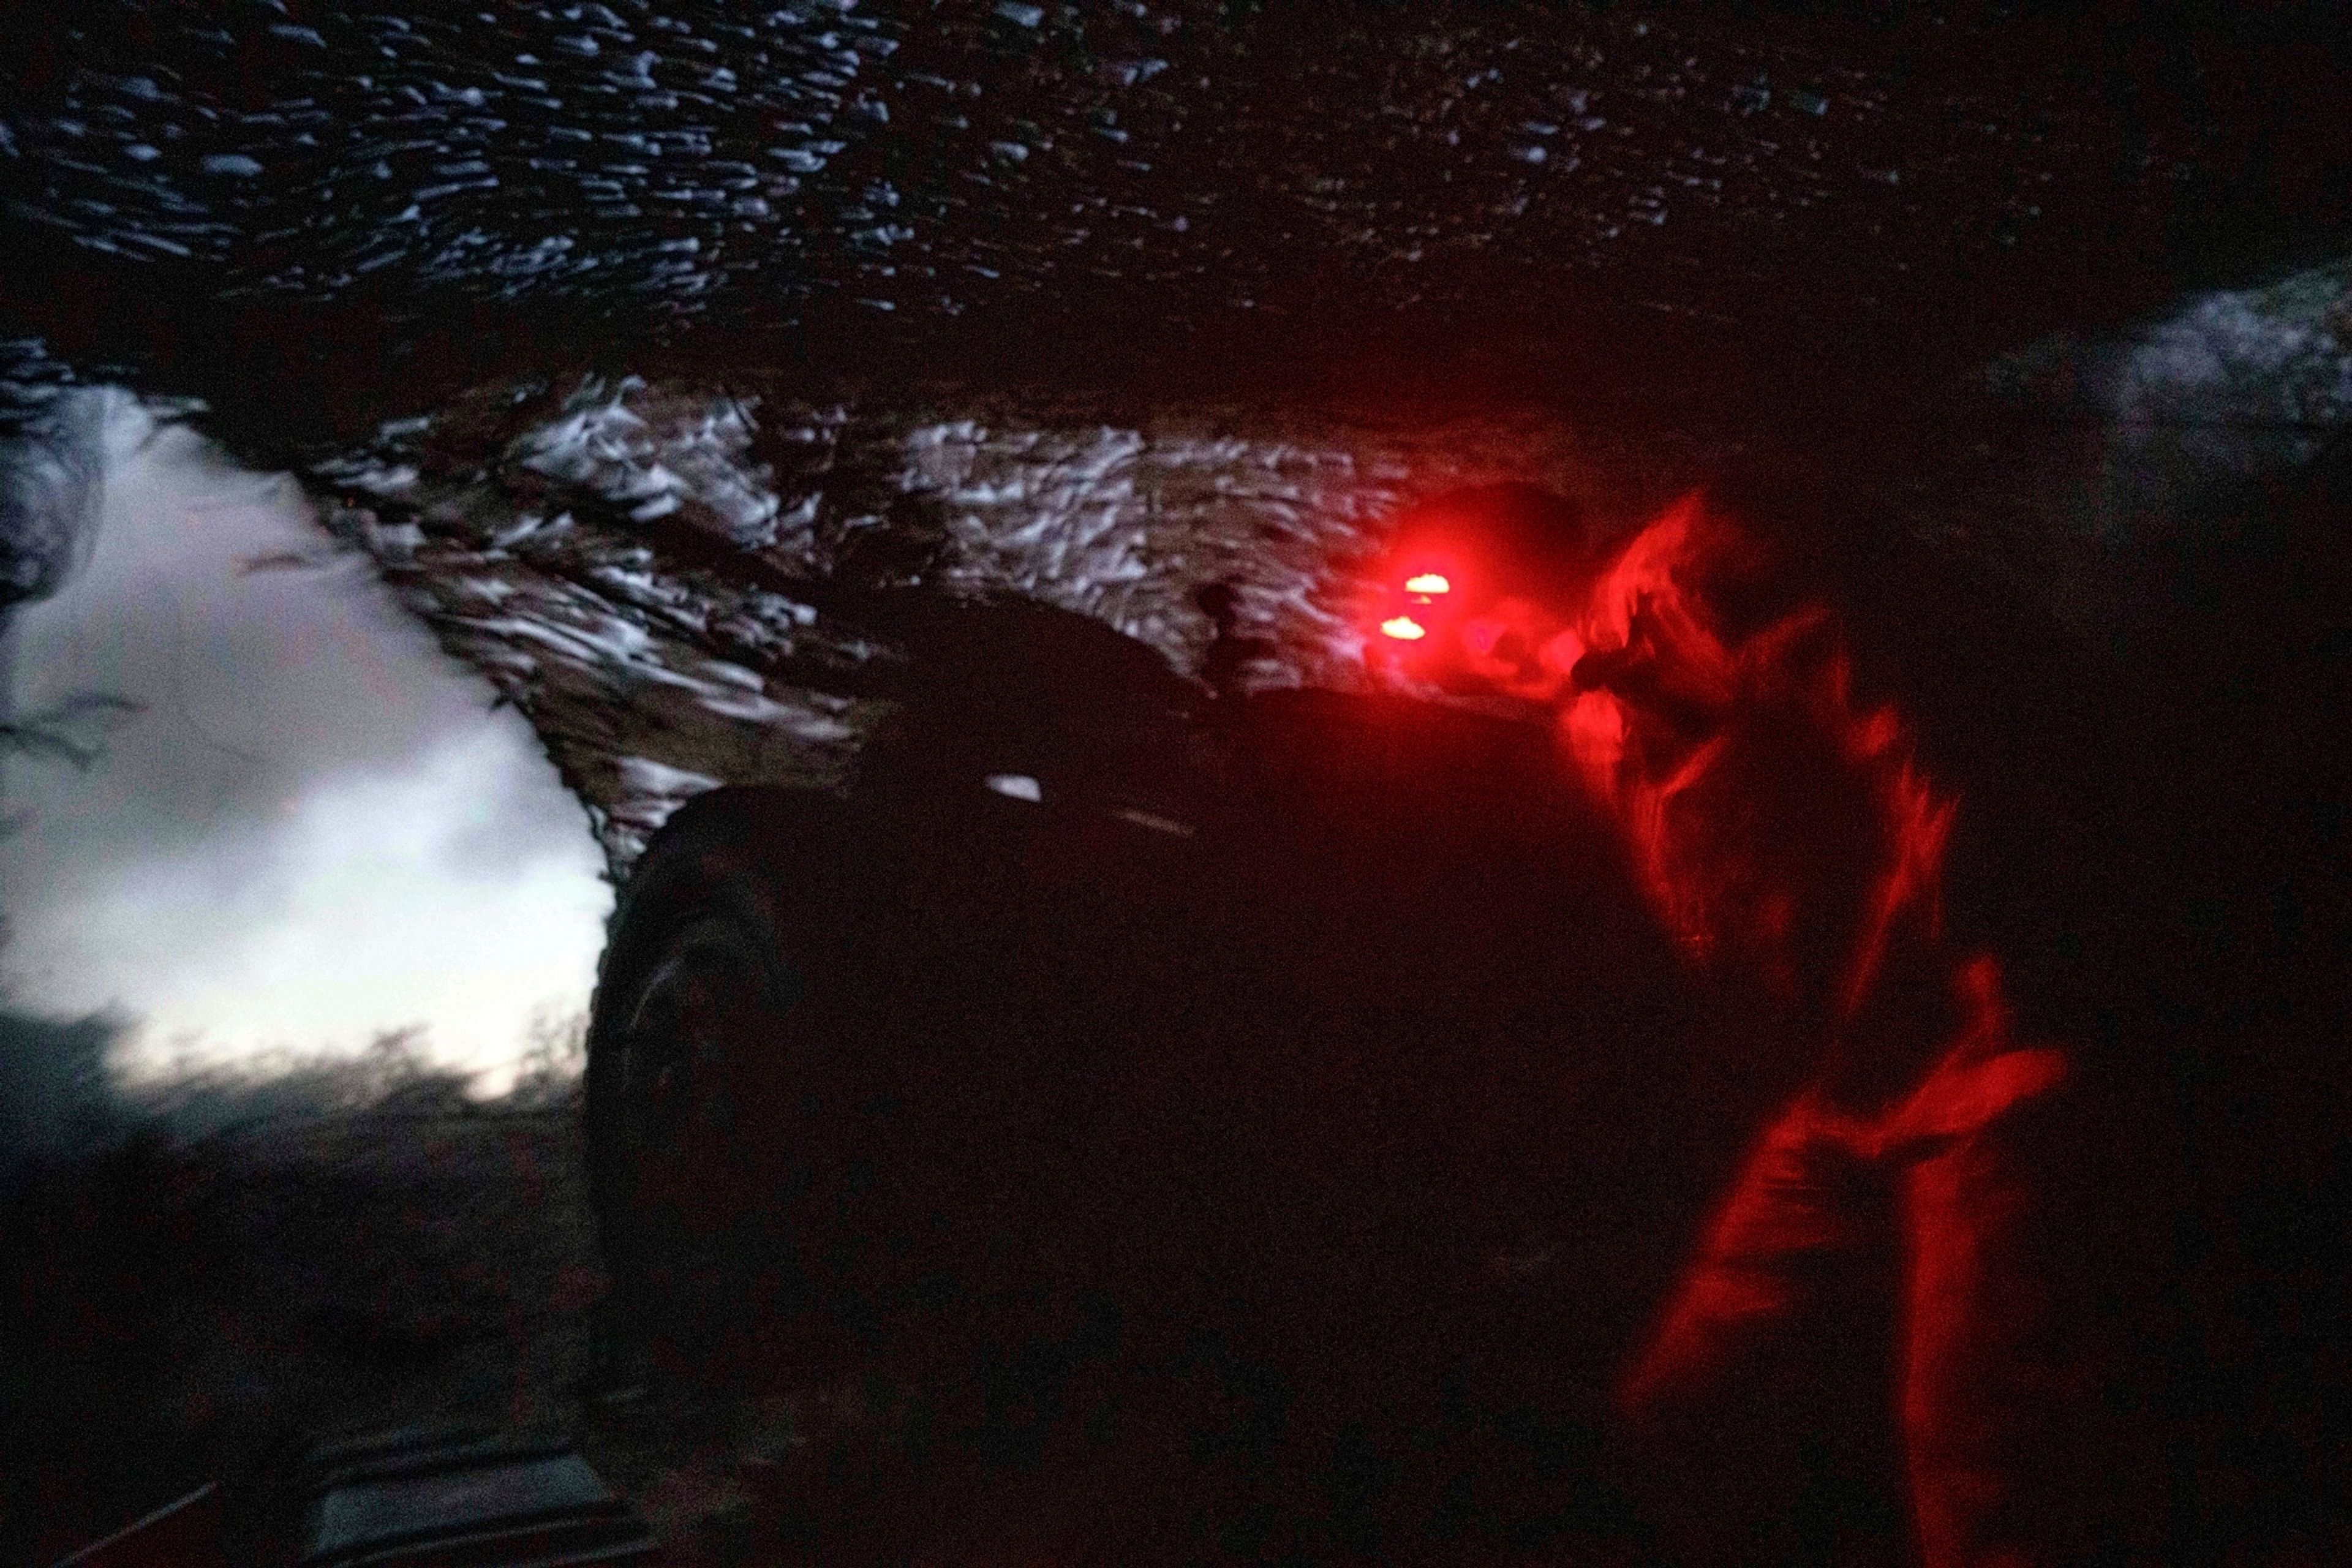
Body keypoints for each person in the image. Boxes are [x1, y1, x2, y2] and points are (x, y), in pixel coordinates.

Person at [1552, 498, 2083, 1566]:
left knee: (1978, 1451)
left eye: (1472, 607)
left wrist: (1998, 949)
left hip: (1990, 1047)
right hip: (1861, 1077)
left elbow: (1906, 711)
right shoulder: (1595, 724)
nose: (1477, 648)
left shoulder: (1685, 576)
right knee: (1690, 1398)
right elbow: (1718, 908)